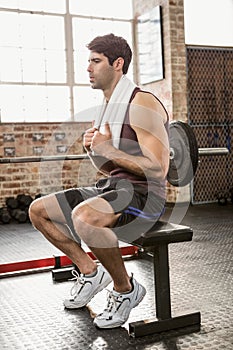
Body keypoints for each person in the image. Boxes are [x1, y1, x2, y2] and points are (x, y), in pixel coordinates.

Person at [29, 33, 170, 329]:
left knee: (85, 217)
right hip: (117, 188)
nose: (88, 69)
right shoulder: (107, 107)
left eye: (95, 61)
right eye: (88, 62)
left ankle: (126, 290)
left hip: (147, 195)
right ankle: (90, 270)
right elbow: (111, 167)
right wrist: (94, 152)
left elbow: (158, 170)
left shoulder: (141, 103)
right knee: (38, 211)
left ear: (117, 64)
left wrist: (108, 149)